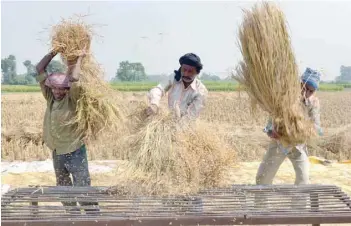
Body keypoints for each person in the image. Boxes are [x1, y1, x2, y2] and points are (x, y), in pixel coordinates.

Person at [35, 49, 99, 213]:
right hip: (57, 152)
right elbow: (40, 69)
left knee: (83, 191)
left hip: (74, 151)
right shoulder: (50, 97)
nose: (58, 92)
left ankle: (94, 219)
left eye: (62, 89)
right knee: (64, 192)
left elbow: (75, 79)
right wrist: (55, 50)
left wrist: (78, 58)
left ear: (67, 89)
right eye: (55, 88)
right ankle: (73, 218)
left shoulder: (73, 99)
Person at [256, 67, 323, 186]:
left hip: (297, 147)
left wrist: (304, 130)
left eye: (311, 91)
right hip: (279, 143)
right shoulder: (285, 98)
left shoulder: (314, 103)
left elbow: (316, 126)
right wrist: (271, 131)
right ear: (300, 84)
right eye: (305, 88)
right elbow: (272, 119)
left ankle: (298, 204)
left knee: (303, 180)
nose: (306, 93)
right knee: (263, 179)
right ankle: (261, 205)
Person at [146, 53, 208, 119]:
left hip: (187, 126)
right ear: (181, 68)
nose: (186, 74)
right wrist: (154, 103)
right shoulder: (173, 78)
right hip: (169, 120)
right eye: (184, 70)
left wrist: (177, 126)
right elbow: (158, 89)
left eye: (190, 71)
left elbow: (192, 116)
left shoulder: (201, 91)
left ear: (197, 72)